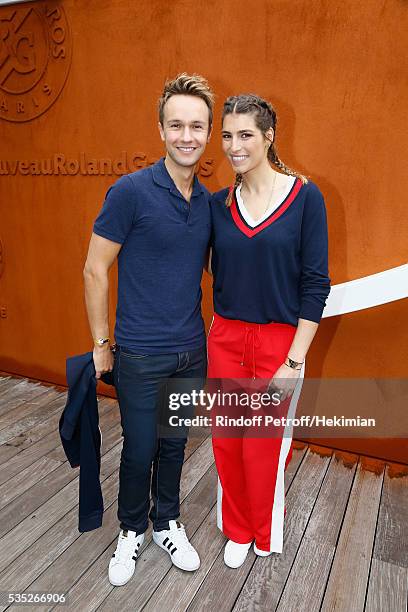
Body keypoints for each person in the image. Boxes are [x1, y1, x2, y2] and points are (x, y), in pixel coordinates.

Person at [83, 73, 214, 586]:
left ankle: (167, 522)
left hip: (191, 352)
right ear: (160, 130)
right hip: (138, 354)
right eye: (177, 124)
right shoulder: (130, 192)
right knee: (140, 447)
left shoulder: (208, 202)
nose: (188, 135)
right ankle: (131, 530)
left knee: (175, 443)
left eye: (197, 126)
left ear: (207, 133)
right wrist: (101, 344)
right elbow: (95, 269)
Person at [207, 94, 330, 568]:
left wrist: (294, 361)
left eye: (245, 135)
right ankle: (237, 529)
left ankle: (263, 530)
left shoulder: (305, 197)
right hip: (226, 338)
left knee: (263, 445)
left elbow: (316, 282)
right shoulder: (218, 205)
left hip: (280, 341)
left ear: (268, 136)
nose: (234, 146)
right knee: (228, 439)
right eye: (227, 136)